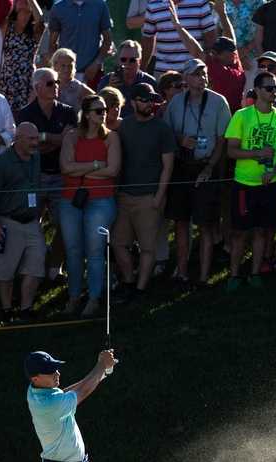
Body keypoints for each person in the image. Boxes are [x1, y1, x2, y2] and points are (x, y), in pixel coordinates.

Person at [163, 58, 231, 285]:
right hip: (183, 167)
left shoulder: (218, 102)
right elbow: (167, 135)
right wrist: (181, 139)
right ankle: (181, 272)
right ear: (186, 78)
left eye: (203, 74)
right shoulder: (175, 104)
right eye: (196, 74)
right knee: (181, 221)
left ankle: (203, 276)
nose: (202, 78)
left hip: (206, 166)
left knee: (205, 223)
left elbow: (223, 140)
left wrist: (210, 167)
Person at [224, 71, 276, 291]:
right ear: (257, 90)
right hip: (244, 184)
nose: (274, 92)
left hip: (270, 185)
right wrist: (256, 154)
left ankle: (255, 272)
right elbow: (231, 151)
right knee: (239, 232)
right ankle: (234, 275)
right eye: (269, 88)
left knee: (263, 231)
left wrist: (274, 173)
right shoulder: (242, 116)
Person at [112, 83, 175, 303]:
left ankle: (140, 289)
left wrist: (159, 195)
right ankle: (129, 281)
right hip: (125, 196)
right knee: (119, 244)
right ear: (133, 102)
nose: (150, 104)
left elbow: (168, 166)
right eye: (144, 100)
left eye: (152, 100)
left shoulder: (162, 128)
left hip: (149, 197)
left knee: (148, 247)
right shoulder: (125, 126)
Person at [59, 94, 121, 316]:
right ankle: (74, 296)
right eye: (97, 110)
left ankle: (94, 297)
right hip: (71, 199)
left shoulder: (111, 138)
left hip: (101, 199)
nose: (103, 114)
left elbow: (112, 170)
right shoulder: (72, 136)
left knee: (95, 251)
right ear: (86, 114)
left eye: (104, 110)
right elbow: (65, 168)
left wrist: (80, 170)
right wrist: (96, 166)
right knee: (73, 250)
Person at [17, 68, 78, 283]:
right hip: (35, 177)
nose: (56, 87)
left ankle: (55, 266)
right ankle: (33, 267)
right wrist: (54, 139)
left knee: (65, 224)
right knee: (32, 224)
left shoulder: (68, 112)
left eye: (57, 83)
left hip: (61, 176)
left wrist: (43, 139)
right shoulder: (25, 114)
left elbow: (68, 143)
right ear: (37, 88)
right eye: (51, 83)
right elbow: (29, 147)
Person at [0, 122, 46, 321]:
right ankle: (7, 309)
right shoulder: (1, 163)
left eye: (37, 138)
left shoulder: (36, 158)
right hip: (8, 221)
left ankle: (26, 308)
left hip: (32, 222)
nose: (35, 143)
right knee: (5, 270)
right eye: (31, 139)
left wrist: (40, 213)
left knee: (36, 266)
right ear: (17, 139)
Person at [44, 0, 113, 88]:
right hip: (65, 73)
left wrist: (97, 63)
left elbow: (108, 40)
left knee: (92, 101)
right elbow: (52, 44)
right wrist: (57, 69)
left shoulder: (100, 5)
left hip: (91, 73)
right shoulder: (58, 7)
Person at [142, 0, 217, 76]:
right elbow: (148, 40)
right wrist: (142, 69)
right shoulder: (153, 4)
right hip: (163, 75)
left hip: (194, 73)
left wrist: (210, 69)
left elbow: (210, 38)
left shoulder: (200, 2)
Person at [0, 0, 45, 114]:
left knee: (25, 112)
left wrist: (31, 1)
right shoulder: (7, 27)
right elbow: (3, 14)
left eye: (28, 12)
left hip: (26, 77)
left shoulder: (34, 31)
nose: (25, 15)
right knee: (6, 112)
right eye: (21, 12)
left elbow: (41, 19)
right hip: (7, 77)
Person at [97, 40, 159, 118]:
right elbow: (98, 108)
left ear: (139, 61)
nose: (127, 63)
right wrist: (109, 90)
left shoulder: (149, 82)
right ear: (118, 61)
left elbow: (157, 110)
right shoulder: (106, 81)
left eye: (132, 60)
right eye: (123, 59)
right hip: (114, 126)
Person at [207, 36, 246, 112]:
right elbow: (196, 51)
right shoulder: (219, 71)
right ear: (217, 55)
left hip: (238, 115)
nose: (234, 53)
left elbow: (230, 34)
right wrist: (178, 26)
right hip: (224, 115)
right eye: (230, 50)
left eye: (233, 50)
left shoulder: (235, 64)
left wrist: (225, 23)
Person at [50, 47, 95, 113]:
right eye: (63, 66)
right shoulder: (47, 83)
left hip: (70, 122)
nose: (67, 69)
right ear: (55, 65)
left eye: (70, 66)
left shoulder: (79, 87)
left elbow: (97, 101)